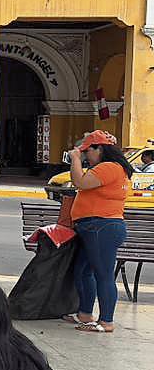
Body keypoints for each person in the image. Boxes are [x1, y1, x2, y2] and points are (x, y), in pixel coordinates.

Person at [63, 130, 133, 333]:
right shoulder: (110, 167)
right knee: (83, 271)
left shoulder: (109, 167)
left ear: (99, 149)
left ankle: (106, 321)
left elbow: (80, 182)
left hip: (101, 227)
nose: (86, 156)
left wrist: (75, 159)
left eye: (88, 151)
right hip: (95, 227)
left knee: (103, 275)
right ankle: (85, 313)